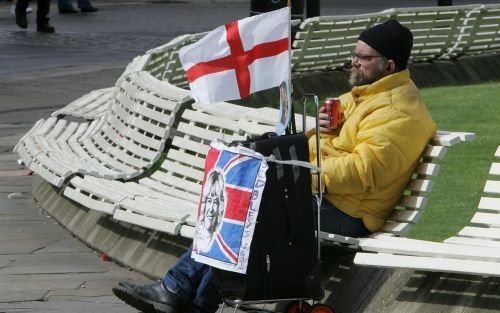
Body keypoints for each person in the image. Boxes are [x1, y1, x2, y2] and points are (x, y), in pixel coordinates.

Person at [112, 19, 437, 313]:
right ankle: (185, 298)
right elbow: (326, 148)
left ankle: (180, 293)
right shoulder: (365, 94)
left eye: (363, 57)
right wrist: (318, 133)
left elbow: (364, 173)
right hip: (330, 197)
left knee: (250, 210)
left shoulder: (398, 111)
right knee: (238, 202)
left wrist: (299, 179)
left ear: (389, 64)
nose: (353, 61)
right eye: (355, 53)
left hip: (350, 211)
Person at [195, 170, 226, 253]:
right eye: (209, 201)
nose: (211, 209)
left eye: (215, 202)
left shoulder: (220, 236)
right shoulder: (200, 238)